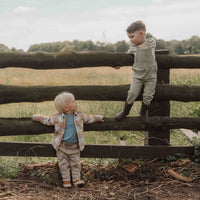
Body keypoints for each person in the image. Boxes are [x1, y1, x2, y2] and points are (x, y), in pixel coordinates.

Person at [32, 92, 104, 188]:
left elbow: (89, 118)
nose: (76, 103)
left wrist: (98, 118)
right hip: (62, 146)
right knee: (63, 164)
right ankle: (66, 181)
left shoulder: (80, 115)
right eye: (73, 101)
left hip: (75, 146)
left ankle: (76, 180)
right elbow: (48, 120)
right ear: (66, 108)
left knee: (76, 164)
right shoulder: (57, 117)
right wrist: (37, 117)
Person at [115, 20, 157, 123]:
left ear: (142, 34)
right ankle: (125, 111)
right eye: (129, 38)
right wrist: (119, 64)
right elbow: (127, 55)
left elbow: (146, 47)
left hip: (151, 75)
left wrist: (140, 42)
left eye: (132, 37)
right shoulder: (133, 47)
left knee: (148, 95)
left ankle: (143, 113)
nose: (130, 40)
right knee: (132, 93)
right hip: (138, 75)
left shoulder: (150, 42)